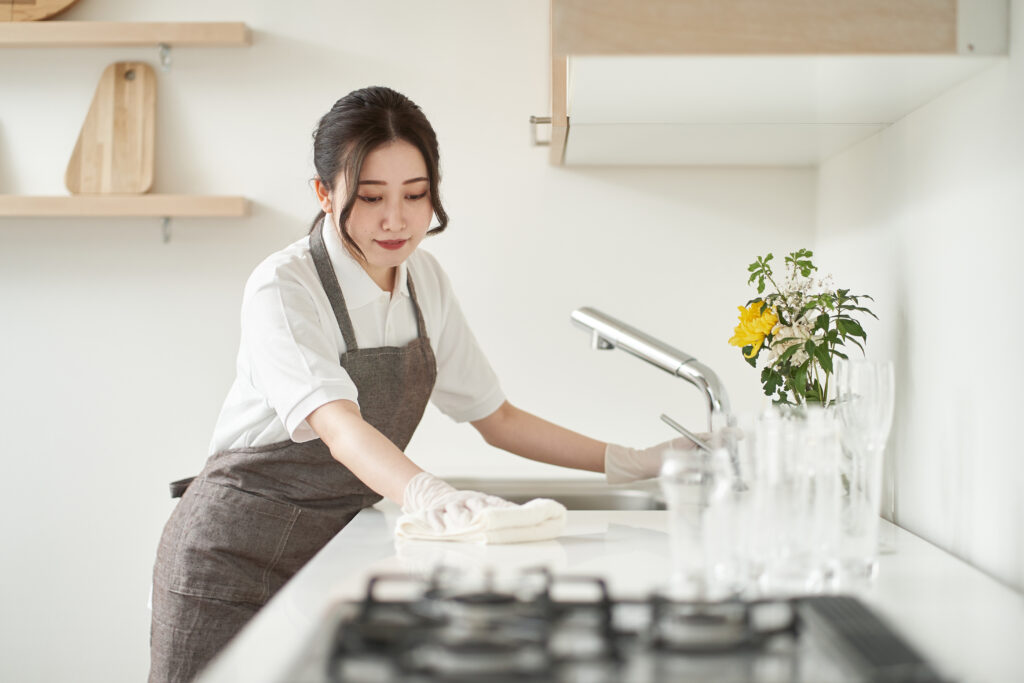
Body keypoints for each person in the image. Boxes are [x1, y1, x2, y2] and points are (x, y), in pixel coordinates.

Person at [148, 86, 684, 683]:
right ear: (324, 193)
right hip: (228, 564)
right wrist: (430, 494)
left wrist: (633, 461)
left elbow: (496, 418)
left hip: (330, 557)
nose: (397, 220)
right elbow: (339, 427)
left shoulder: (424, 281)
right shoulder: (284, 286)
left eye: (416, 195)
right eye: (372, 197)